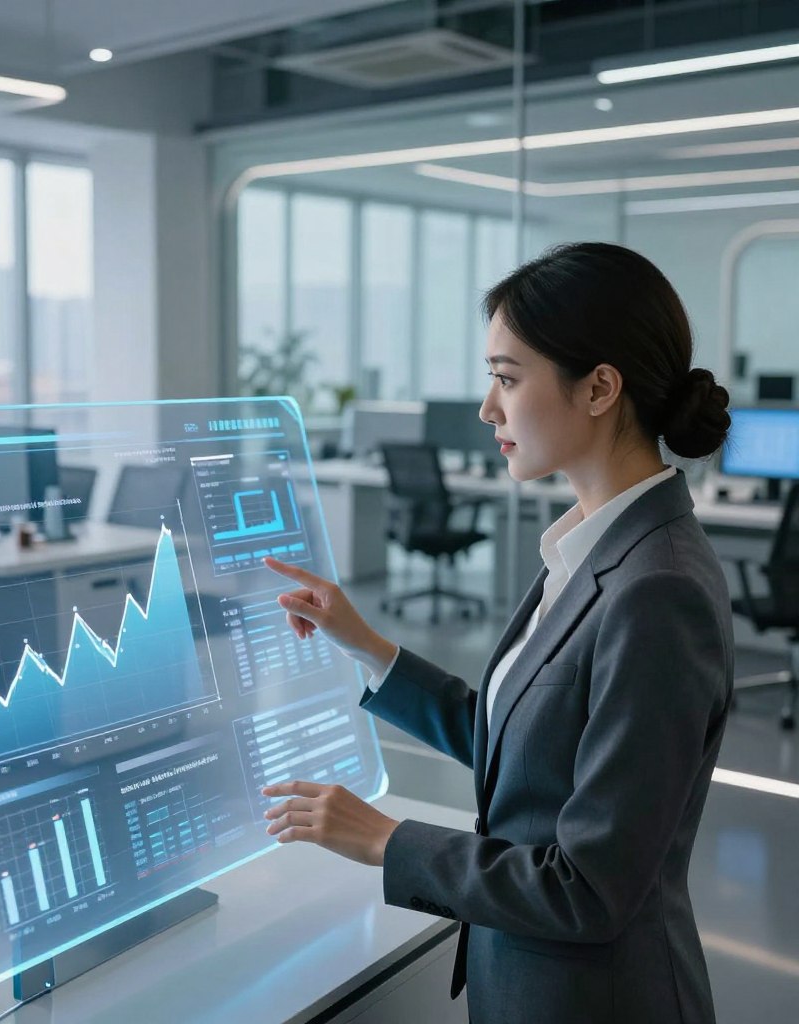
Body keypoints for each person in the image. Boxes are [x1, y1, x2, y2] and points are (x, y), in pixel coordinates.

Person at [261, 242, 733, 1024]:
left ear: (599, 388)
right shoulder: (586, 545)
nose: (488, 408)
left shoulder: (660, 589)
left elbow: (589, 888)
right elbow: (530, 749)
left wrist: (386, 839)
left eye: (508, 378)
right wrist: (365, 645)